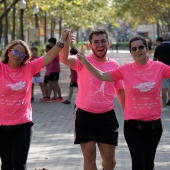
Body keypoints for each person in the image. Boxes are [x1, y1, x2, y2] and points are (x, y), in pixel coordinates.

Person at [75, 36, 170, 170]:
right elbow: (101, 76)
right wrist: (85, 62)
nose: (138, 51)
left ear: (147, 49)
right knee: (138, 163)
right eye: (134, 49)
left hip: (154, 125)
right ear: (131, 52)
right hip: (132, 125)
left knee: (149, 163)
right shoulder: (125, 69)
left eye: (141, 47)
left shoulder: (159, 67)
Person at [0, 30, 73, 170]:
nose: (17, 56)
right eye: (15, 52)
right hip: (2, 126)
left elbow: (48, 57)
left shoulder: (28, 68)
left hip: (22, 125)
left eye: (22, 54)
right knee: (6, 166)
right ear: (8, 52)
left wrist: (62, 42)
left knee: (19, 166)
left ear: (24, 58)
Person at [60, 29, 125, 170]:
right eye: (96, 42)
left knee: (110, 162)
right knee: (89, 155)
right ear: (90, 45)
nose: (100, 45)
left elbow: (120, 90)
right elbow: (64, 59)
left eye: (103, 41)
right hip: (84, 114)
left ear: (109, 43)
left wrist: (129, 113)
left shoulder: (114, 65)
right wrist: (65, 42)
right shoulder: (82, 60)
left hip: (107, 116)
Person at [153, 32, 170, 111]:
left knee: (164, 89)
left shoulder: (159, 48)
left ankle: (164, 106)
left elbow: (154, 60)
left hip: (163, 71)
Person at [48, 37, 63, 102]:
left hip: (55, 69)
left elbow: (51, 57)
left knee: (55, 83)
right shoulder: (52, 49)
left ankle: (60, 97)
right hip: (52, 69)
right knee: (52, 83)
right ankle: (54, 96)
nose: (49, 44)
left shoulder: (55, 49)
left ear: (52, 43)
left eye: (49, 43)